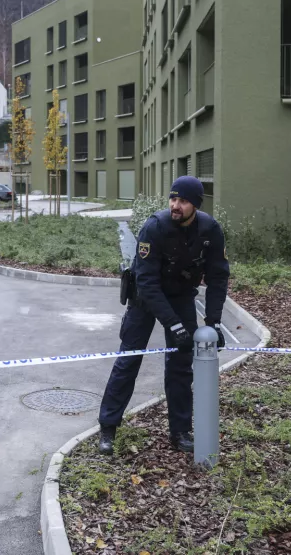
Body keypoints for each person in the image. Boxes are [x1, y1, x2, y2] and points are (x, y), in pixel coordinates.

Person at [97, 176, 229, 455]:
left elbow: (218, 278)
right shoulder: (155, 226)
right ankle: (108, 427)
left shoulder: (210, 230)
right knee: (129, 359)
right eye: (173, 198)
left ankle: (180, 431)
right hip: (145, 298)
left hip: (181, 297)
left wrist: (214, 322)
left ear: (196, 205)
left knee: (181, 365)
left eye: (183, 201)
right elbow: (146, 282)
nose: (175, 205)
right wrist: (174, 325)